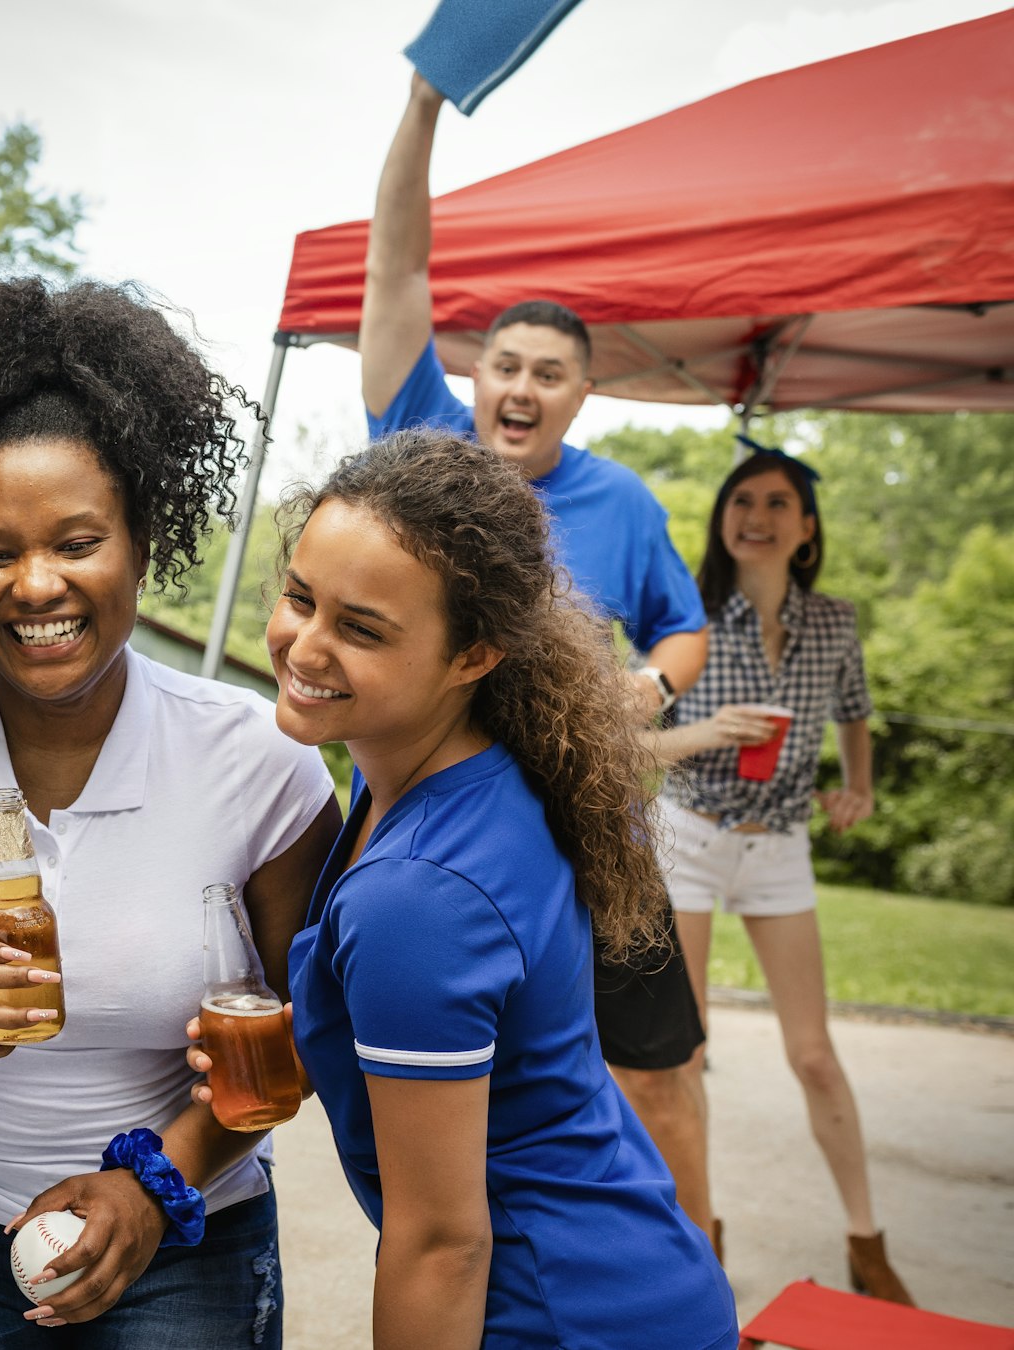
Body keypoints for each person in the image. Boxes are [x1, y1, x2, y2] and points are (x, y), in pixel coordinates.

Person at [0, 277, 341, 1346]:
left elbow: (298, 1044)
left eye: (76, 542)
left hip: (186, 1243)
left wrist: (151, 1190)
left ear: (140, 540)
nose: (34, 585)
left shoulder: (260, 762)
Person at [218, 428, 735, 1349]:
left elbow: (441, 1246)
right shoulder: (475, 771)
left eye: (363, 627)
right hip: (636, 1276)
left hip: (560, 1315)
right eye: (301, 596)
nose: (305, 644)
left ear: (475, 657)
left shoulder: (419, 893)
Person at [357, 71, 718, 1236]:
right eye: (501, 364)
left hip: (592, 828)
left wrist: (646, 684)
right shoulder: (420, 448)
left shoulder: (618, 502)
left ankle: (693, 1258)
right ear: (474, 379)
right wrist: (419, 108)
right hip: (448, 833)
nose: (517, 385)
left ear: (579, 393)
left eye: (545, 372)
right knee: (476, 1088)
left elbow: (684, 625)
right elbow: (397, 272)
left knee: (655, 1074)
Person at [650, 444, 910, 1304]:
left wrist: (858, 788)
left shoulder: (833, 620)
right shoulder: (685, 621)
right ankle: (700, 1238)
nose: (754, 515)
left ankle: (867, 1245)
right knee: (684, 1055)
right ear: (724, 520)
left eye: (775, 503)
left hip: (779, 843)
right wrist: (708, 730)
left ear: (806, 529)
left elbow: (855, 712)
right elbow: (630, 743)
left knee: (816, 1057)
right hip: (688, 832)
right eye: (741, 500)